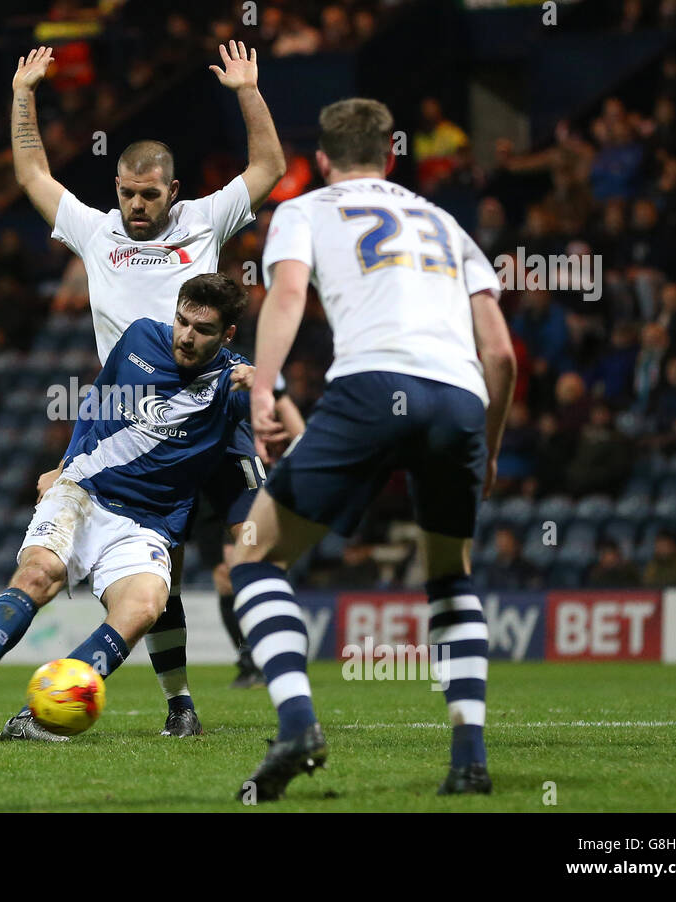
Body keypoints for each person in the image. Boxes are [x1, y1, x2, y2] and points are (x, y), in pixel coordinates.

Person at [227, 98, 516, 800]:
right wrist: (492, 444)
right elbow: (501, 353)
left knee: (254, 555)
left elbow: (289, 293)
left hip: (370, 384)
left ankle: (297, 724)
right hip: (459, 398)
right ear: (393, 152)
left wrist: (264, 391)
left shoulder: (305, 208)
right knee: (450, 574)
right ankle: (469, 760)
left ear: (321, 160)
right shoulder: (447, 223)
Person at [11, 42, 304, 724]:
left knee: (255, 550)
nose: (137, 206)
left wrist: (247, 92)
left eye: (149, 194)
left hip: (217, 414)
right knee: (159, 576)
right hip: (141, 433)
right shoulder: (95, 232)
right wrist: (25, 93)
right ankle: (181, 705)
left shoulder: (206, 217)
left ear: (172, 191)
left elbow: (269, 166)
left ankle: (282, 684)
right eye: (126, 193)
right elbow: (30, 171)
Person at [0, 274, 254, 740]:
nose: (187, 337)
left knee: (145, 607)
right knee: (38, 573)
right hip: (84, 492)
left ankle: (44, 711)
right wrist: (62, 463)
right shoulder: (137, 337)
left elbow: (245, 470)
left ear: (227, 335)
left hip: (148, 522)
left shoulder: (236, 388)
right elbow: (96, 399)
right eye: (182, 321)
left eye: (203, 330)